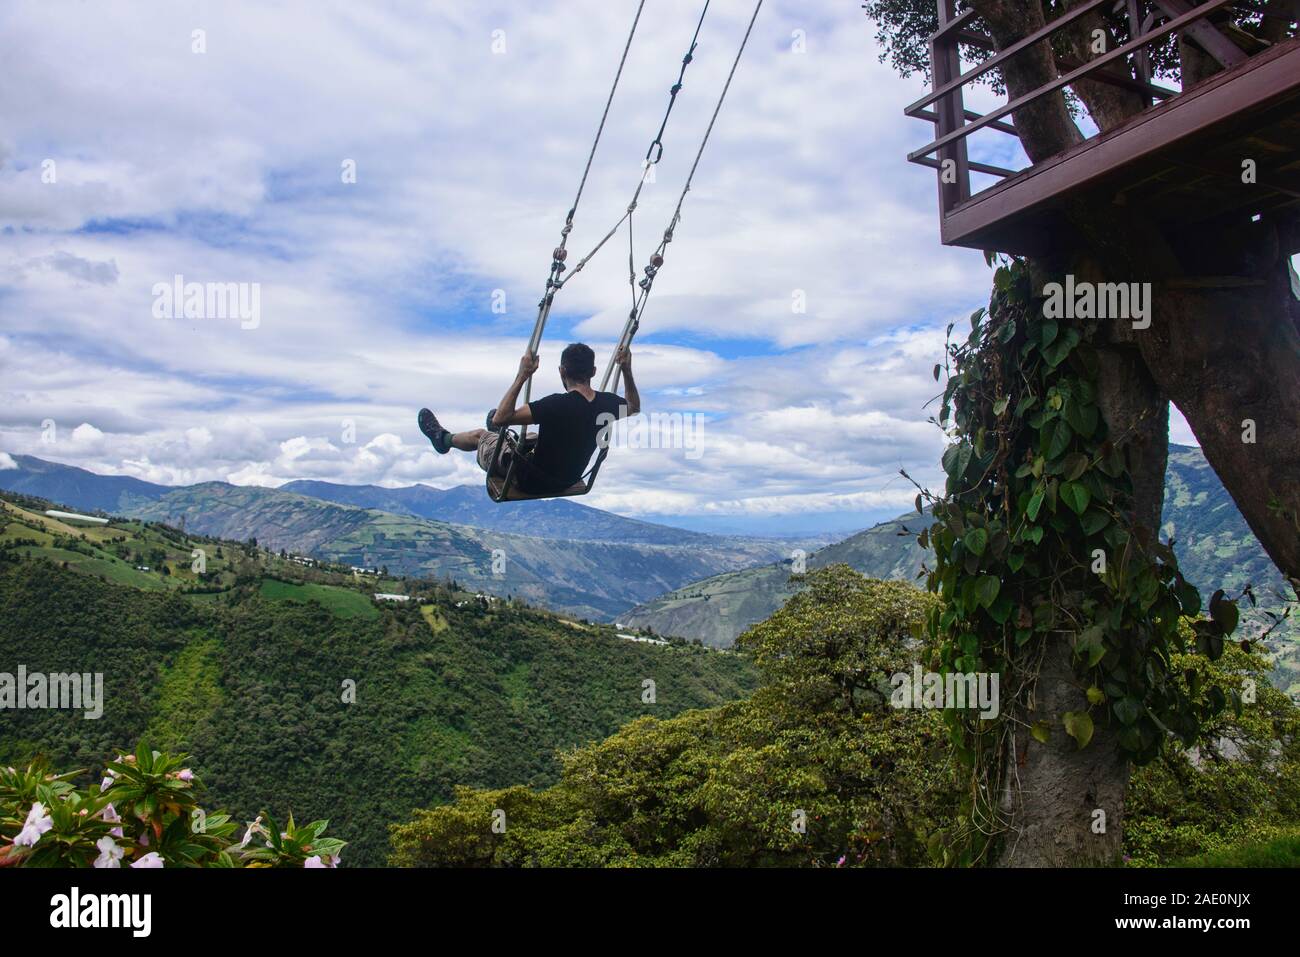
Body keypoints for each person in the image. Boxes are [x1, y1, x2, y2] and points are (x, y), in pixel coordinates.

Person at [419, 342, 640, 495]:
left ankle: (443, 440)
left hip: (530, 480)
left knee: (482, 434)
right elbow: (633, 407)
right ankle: (502, 439)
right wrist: (627, 370)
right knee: (534, 436)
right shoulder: (608, 404)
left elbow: (501, 417)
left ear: (562, 371)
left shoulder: (554, 405)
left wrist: (522, 375)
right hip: (569, 477)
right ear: (593, 371)